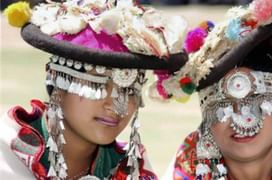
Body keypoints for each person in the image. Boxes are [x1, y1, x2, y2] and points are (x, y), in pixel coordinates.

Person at [0, 0, 188, 179]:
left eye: (130, 91)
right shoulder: (6, 156)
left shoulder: (132, 169)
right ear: (55, 78)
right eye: (97, 85)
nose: (116, 106)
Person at [157, 0, 272, 179]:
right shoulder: (185, 170)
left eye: (256, 99)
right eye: (223, 105)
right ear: (206, 119)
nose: (242, 118)